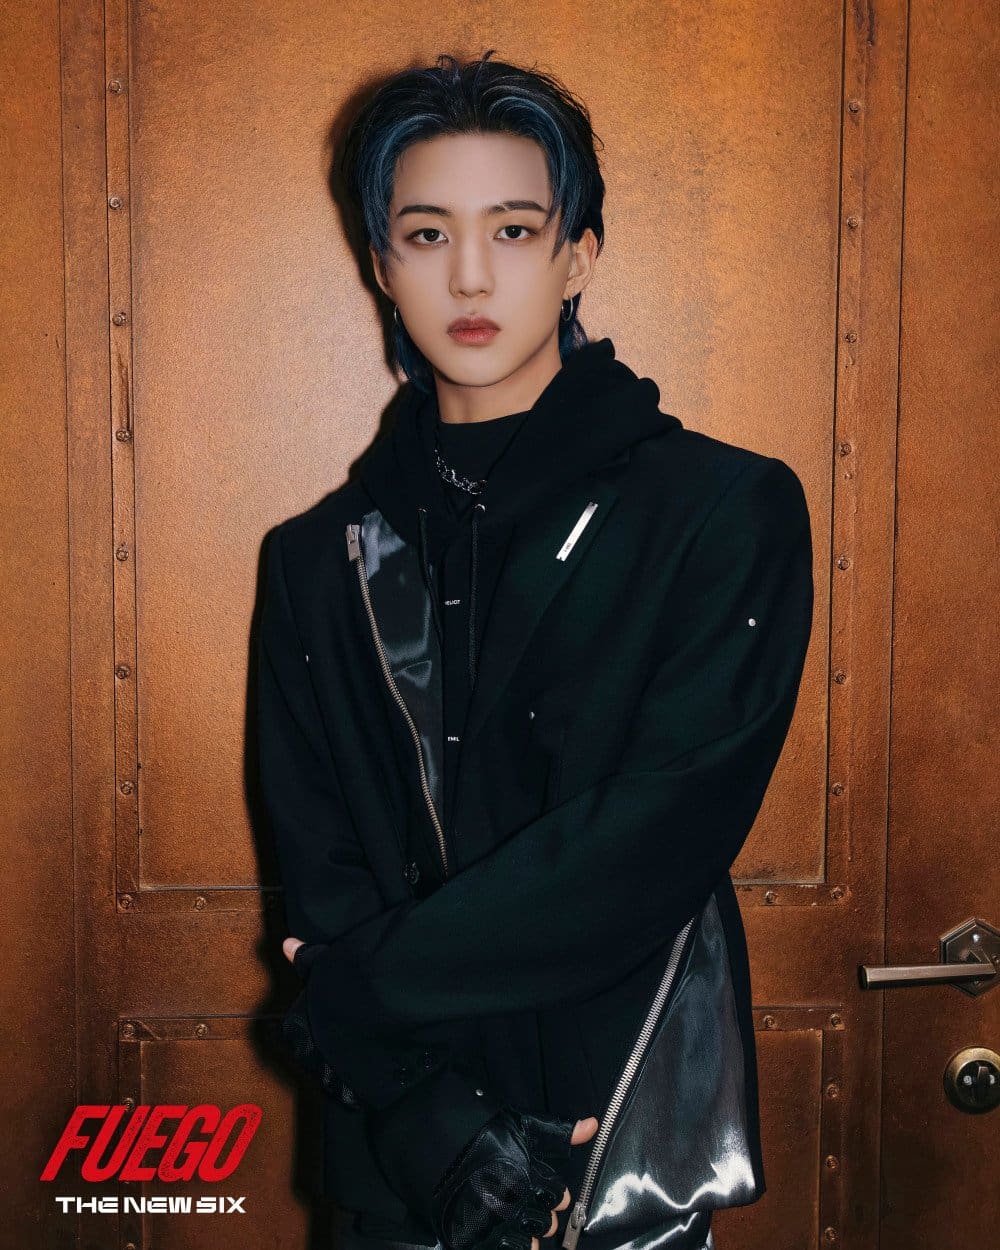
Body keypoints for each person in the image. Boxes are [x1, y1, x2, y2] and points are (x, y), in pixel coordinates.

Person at [256, 50, 813, 1250]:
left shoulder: (721, 510)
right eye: (426, 233)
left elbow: (650, 839)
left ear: (578, 255)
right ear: (380, 262)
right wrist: (430, 1125)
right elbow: (319, 862)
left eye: (513, 229)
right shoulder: (314, 556)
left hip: (617, 1132)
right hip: (393, 1149)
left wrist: (349, 999)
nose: (469, 274)